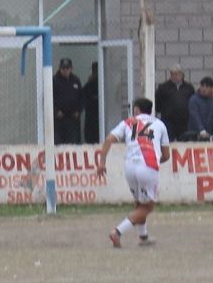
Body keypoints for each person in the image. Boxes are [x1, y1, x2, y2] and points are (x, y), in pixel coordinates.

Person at [97, 98, 170, 248]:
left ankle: (143, 237)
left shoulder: (128, 122)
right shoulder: (160, 125)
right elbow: (166, 155)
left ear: (136, 110)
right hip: (148, 166)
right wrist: (154, 160)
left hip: (129, 166)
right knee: (147, 207)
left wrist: (102, 162)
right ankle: (117, 232)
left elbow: (109, 139)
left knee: (139, 203)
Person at [155, 64, 195, 141]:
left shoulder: (189, 87)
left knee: (184, 141)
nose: (174, 76)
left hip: (184, 121)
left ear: (182, 74)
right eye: (172, 74)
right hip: (168, 121)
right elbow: (158, 103)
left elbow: (192, 103)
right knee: (167, 141)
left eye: (177, 73)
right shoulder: (163, 87)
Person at [53, 58, 83, 144]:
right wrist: (56, 111)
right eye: (63, 68)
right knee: (59, 142)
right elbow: (49, 99)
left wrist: (79, 111)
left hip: (73, 119)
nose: (65, 70)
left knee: (73, 142)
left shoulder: (76, 80)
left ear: (71, 69)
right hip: (59, 119)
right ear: (60, 68)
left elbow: (81, 97)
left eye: (67, 68)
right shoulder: (54, 81)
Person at [81, 61, 100, 144]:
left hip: (98, 115)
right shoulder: (90, 84)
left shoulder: (104, 82)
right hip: (91, 114)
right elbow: (83, 95)